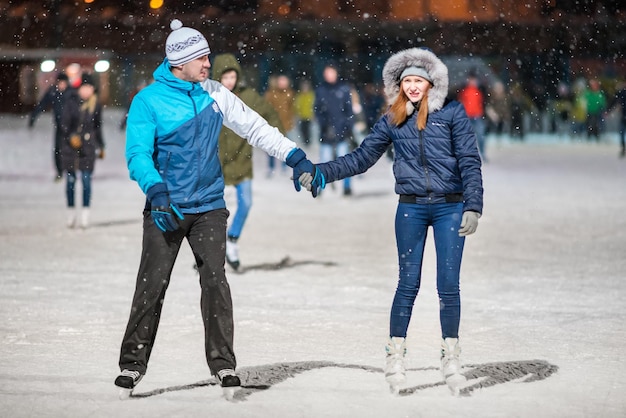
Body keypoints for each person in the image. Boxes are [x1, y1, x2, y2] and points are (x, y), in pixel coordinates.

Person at [116, 19, 314, 399]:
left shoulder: (214, 94)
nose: (208, 63)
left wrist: (294, 155)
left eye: (207, 56)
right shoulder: (149, 101)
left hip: (208, 206)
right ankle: (131, 364)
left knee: (215, 283)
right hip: (166, 207)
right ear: (180, 62)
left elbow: (255, 127)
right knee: (152, 284)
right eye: (201, 57)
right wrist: (155, 188)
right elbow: (137, 153)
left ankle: (223, 365)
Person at [296, 47, 483, 394]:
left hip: (450, 207)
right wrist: (321, 172)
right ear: (399, 85)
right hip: (410, 208)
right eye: (407, 81)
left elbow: (470, 161)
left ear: (431, 83)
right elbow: (361, 158)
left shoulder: (453, 114)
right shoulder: (392, 119)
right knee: (407, 284)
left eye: (419, 81)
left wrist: (473, 205)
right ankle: (395, 356)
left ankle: (451, 357)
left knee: (448, 285)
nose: (413, 87)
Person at [211, 53, 284, 270]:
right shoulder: (209, 97)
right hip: (216, 164)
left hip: (242, 161)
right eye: (225, 78)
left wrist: (278, 139)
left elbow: (271, 115)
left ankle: (232, 241)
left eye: (233, 77)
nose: (230, 81)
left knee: (246, 203)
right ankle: (211, 250)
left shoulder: (249, 97)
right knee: (212, 210)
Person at [59, 73, 105, 229]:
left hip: (88, 148)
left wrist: (101, 145)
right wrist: (71, 136)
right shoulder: (71, 103)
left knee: (86, 181)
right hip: (70, 149)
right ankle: (71, 212)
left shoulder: (95, 105)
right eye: (85, 87)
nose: (87, 91)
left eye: (90, 88)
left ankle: (85, 213)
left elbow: (98, 127)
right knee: (70, 181)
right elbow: (63, 125)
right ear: (80, 88)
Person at [314, 63, 354, 195]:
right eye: (327, 73)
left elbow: (349, 111)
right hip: (326, 132)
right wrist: (324, 125)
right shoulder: (321, 90)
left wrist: (347, 127)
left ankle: (347, 187)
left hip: (342, 131)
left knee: (345, 161)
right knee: (324, 160)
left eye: (331, 73)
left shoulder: (343, 89)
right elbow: (317, 111)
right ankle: (320, 186)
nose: (329, 76)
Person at [28, 72, 77, 182]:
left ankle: (72, 171)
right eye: (60, 83)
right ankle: (59, 172)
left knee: (72, 149)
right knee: (58, 150)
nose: (62, 85)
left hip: (71, 126)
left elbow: (79, 108)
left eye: (64, 83)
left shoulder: (72, 93)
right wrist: (33, 117)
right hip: (59, 125)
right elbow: (42, 104)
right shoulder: (53, 92)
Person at [264, 74, 296, 176]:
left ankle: (285, 166)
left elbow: (292, 109)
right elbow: (266, 109)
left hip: (286, 125)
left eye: (285, 82)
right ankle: (271, 167)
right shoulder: (271, 94)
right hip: (274, 125)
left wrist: (291, 121)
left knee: (286, 146)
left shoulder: (290, 94)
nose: (283, 84)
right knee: (271, 147)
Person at [457, 72, 487, 161]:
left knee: (480, 135)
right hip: (468, 116)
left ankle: (481, 153)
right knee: (466, 136)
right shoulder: (465, 91)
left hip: (476, 115)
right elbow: (461, 103)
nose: (472, 82)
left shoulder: (478, 92)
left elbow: (481, 104)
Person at [607, 79, 626, 157]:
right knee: (621, 131)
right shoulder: (622, 92)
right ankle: (623, 147)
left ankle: (623, 148)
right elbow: (614, 101)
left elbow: (614, 101)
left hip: (624, 115)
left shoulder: (621, 92)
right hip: (624, 115)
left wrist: (608, 110)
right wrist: (608, 110)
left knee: (621, 131)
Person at [294, 79, 315, 147]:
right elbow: (297, 106)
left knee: (308, 129)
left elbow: (313, 105)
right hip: (302, 116)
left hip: (309, 116)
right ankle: (305, 141)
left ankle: (308, 142)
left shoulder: (311, 95)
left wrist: (313, 114)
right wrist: (297, 113)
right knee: (303, 129)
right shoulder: (300, 96)